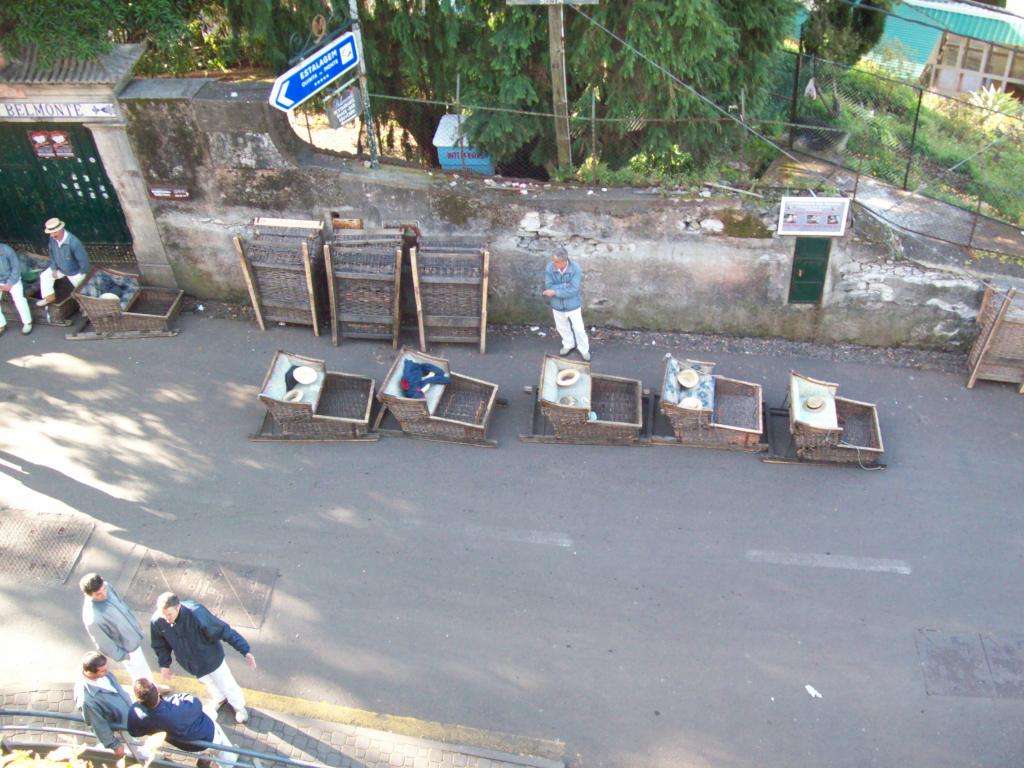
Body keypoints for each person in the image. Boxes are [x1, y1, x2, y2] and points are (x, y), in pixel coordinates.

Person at [150, 592, 256, 724]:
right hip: (192, 665)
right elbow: (160, 644)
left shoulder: (196, 613)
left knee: (227, 684)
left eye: (169, 614)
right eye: (163, 615)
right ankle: (219, 698)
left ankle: (238, 706)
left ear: (178, 607)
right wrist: (164, 665)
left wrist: (245, 650)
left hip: (212, 659)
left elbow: (223, 630)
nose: (166, 619)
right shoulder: (157, 621)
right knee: (209, 683)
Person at [128, 677, 235, 768]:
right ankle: (229, 762)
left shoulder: (136, 712)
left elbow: (134, 731)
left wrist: (152, 729)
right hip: (209, 735)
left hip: (187, 745)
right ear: (157, 691)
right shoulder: (176, 710)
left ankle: (205, 759)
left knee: (210, 713)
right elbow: (196, 703)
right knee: (226, 754)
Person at [81, 573, 155, 684]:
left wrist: (135, 621)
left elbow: (122, 605)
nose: (104, 594)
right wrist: (124, 656)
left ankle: (153, 686)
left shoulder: (107, 587)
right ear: (88, 594)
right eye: (98, 594)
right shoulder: (92, 618)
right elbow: (104, 644)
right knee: (140, 675)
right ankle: (148, 691)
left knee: (144, 669)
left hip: (133, 638)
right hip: (127, 649)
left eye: (104, 589)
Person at [75, 651, 150, 761]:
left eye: (107, 668)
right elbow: (97, 724)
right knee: (136, 751)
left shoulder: (104, 675)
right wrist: (114, 745)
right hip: (121, 728)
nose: (107, 671)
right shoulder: (87, 700)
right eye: (103, 670)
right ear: (89, 672)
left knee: (135, 745)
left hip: (127, 721)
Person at [542, 245, 590, 362]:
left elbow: (574, 290)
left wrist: (555, 291)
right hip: (557, 305)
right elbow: (549, 286)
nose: (554, 264)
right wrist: (565, 286)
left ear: (565, 261)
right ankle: (568, 344)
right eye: (553, 261)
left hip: (573, 305)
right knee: (562, 327)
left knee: (579, 329)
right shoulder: (549, 267)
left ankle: (584, 349)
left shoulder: (575, 268)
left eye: (557, 262)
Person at [36, 217, 89, 306]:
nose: (52, 235)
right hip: (60, 268)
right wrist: (53, 268)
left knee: (83, 293)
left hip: (75, 272)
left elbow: (84, 261)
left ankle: (87, 307)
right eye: (51, 233)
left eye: (55, 232)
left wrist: (81, 274)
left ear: (61, 229)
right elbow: (52, 253)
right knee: (44, 276)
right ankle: (49, 298)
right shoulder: (52, 238)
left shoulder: (74, 242)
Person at [0, 243, 32, 336]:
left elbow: (16, 268)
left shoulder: (7, 250)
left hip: (13, 279)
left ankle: (27, 322)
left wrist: (9, 283)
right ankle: (1, 324)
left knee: (19, 300)